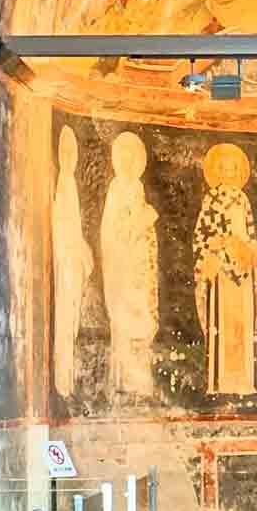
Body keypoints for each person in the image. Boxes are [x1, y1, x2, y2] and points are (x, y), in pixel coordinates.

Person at [195, 143, 257, 398]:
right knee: (224, 323)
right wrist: (220, 247)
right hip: (222, 268)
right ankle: (221, 381)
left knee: (242, 324)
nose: (229, 173)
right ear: (218, 171)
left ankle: (243, 380)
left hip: (243, 265)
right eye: (225, 168)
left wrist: (251, 252)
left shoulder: (243, 199)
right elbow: (204, 233)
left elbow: (249, 231)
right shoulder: (212, 198)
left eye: (234, 168)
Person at [100, 130, 160, 398]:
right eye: (123, 157)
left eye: (131, 157)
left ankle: (140, 381)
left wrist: (143, 222)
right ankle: (124, 380)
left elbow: (143, 227)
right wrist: (136, 223)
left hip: (139, 264)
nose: (127, 162)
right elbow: (113, 229)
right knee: (125, 320)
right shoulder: (116, 188)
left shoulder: (137, 187)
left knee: (141, 318)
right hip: (122, 265)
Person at [51, 121, 93, 399]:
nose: (69, 157)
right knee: (65, 322)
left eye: (72, 152)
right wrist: (78, 248)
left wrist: (82, 249)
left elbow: (71, 229)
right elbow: (61, 227)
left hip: (72, 264)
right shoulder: (62, 183)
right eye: (64, 152)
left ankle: (66, 380)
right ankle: (63, 380)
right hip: (65, 265)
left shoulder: (69, 183)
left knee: (72, 323)